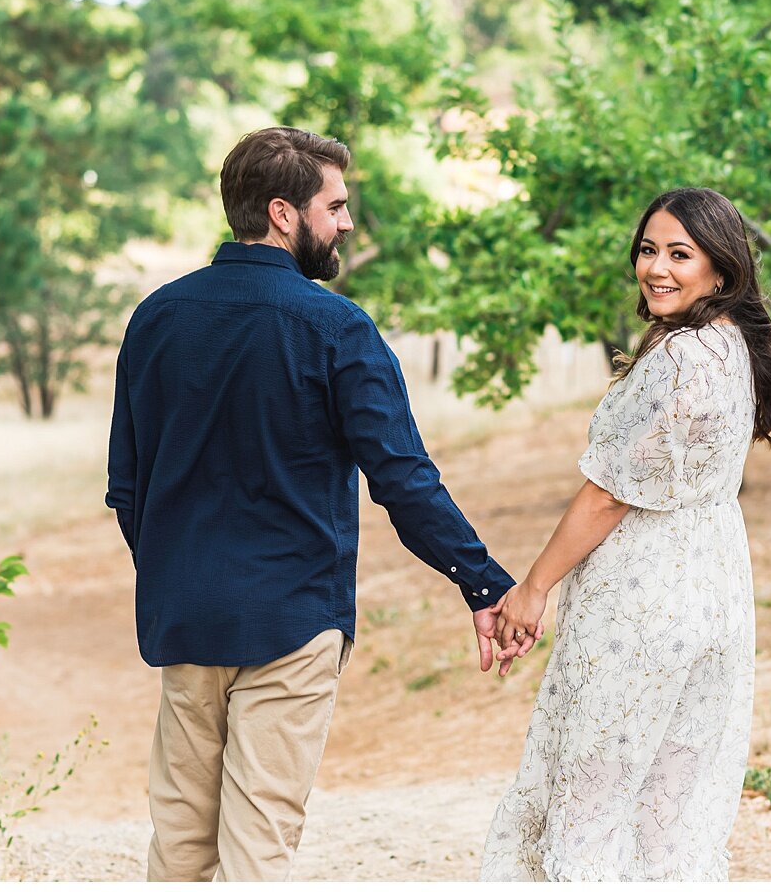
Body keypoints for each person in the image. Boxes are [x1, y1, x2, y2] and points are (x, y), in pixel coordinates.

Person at [105, 126, 530, 882]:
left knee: (178, 845)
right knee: (258, 848)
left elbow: (128, 489)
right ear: (281, 212)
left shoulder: (155, 319)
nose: (346, 223)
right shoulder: (337, 328)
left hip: (186, 619)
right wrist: (485, 583)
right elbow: (402, 478)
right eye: (334, 206)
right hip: (290, 622)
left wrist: (179, 571)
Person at [480, 187, 771, 881]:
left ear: (720, 270)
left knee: (591, 806)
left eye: (680, 254)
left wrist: (533, 588)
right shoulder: (729, 346)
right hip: (711, 593)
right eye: (649, 250)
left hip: (646, 604)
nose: (657, 268)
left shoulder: (683, 357)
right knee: (666, 811)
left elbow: (606, 497)